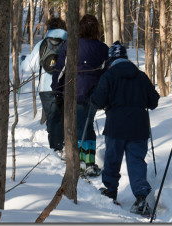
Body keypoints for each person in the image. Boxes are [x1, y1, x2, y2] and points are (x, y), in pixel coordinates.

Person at [90, 41, 160, 216]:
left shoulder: (109, 75)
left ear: (111, 59)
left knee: (112, 160)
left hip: (116, 126)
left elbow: (98, 101)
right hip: (139, 127)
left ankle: (110, 191)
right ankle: (141, 198)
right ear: (126, 58)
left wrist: (93, 95)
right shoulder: (141, 76)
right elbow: (154, 101)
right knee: (136, 161)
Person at [52, 14, 109, 176]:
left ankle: (80, 161)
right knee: (87, 124)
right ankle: (87, 161)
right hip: (93, 94)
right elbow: (106, 74)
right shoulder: (102, 48)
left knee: (78, 125)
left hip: (73, 92)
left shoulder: (71, 45)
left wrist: (57, 92)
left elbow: (59, 70)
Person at [21, 17, 67, 154]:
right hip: (66, 86)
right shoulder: (69, 42)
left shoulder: (42, 44)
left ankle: (56, 149)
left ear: (48, 29)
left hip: (46, 88)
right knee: (65, 118)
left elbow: (29, 66)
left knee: (52, 120)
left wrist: (22, 60)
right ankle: (65, 147)